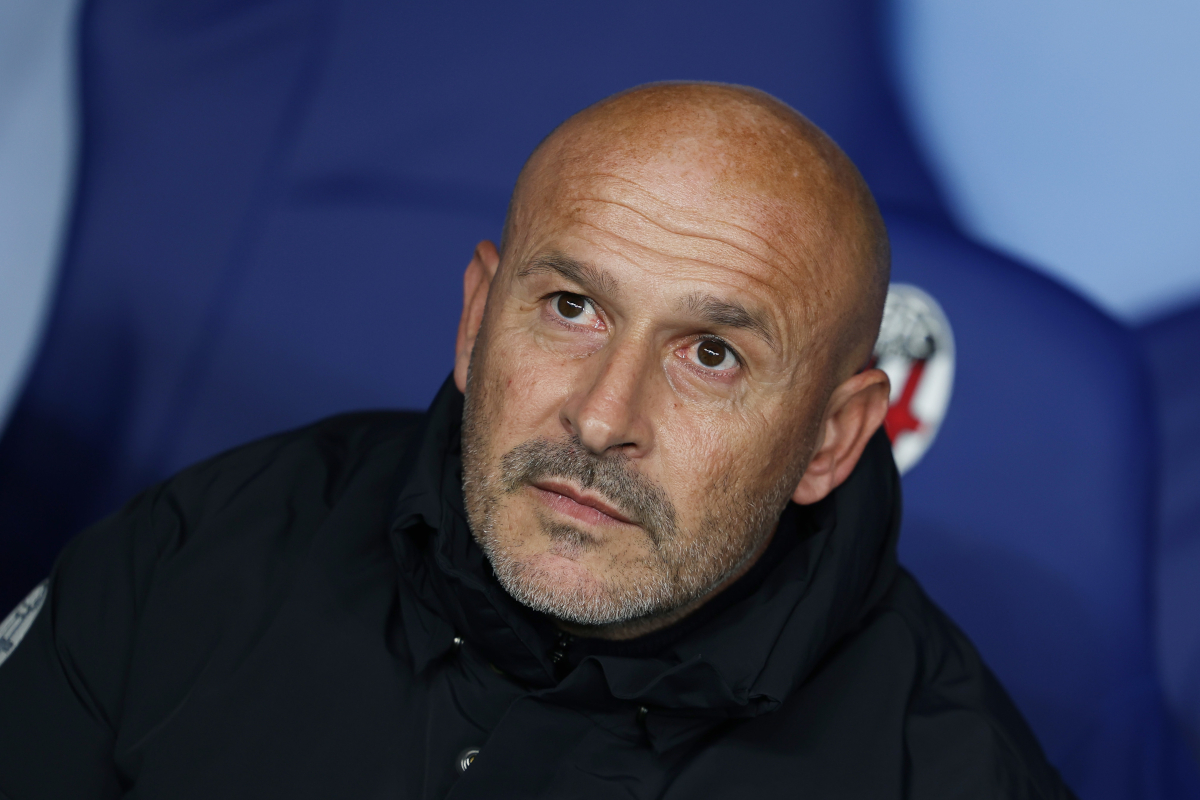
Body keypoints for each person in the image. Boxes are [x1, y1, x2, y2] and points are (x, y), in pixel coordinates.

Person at [0, 82, 1073, 799]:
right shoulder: (211, 544)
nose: (603, 418)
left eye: (712, 354)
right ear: (477, 319)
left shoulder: (948, 770)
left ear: (831, 439)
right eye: (572, 307)